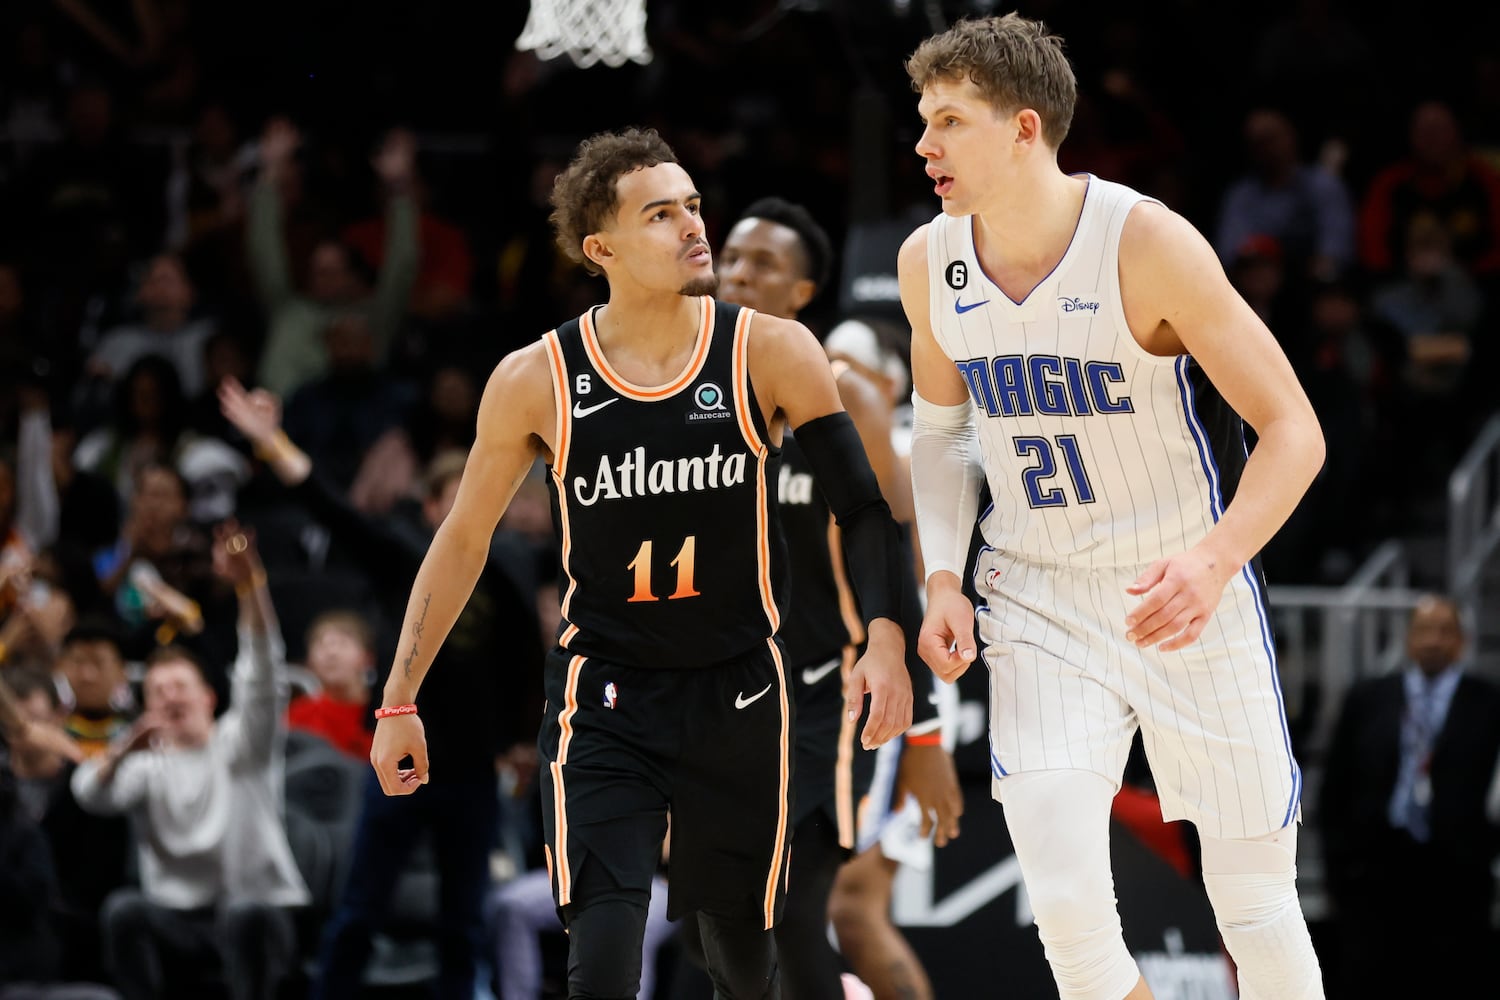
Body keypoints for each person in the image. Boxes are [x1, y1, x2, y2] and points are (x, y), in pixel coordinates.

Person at [368, 126, 915, 1000]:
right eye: (661, 214)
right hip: (606, 697)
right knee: (606, 954)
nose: (695, 227)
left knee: (734, 957)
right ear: (602, 247)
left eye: (694, 205)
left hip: (738, 691)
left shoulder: (770, 351)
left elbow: (865, 507)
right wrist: (399, 697)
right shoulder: (534, 378)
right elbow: (462, 539)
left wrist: (887, 637)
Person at [899, 14, 1326, 1000]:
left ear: (1024, 127)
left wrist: (1215, 560)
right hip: (1038, 594)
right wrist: (938, 575)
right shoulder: (932, 261)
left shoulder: (1145, 242)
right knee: (1073, 924)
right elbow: (939, 434)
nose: (924, 144)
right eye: (924, 121)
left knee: (1257, 907)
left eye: (950, 120)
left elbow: (1294, 429)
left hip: (1181, 587)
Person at [714, 195, 962, 1000]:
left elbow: (889, 562)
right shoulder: (690, 400)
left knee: (803, 916)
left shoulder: (841, 397)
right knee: (716, 924)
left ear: (805, 293)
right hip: (733, 694)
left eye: (764, 265)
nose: (739, 275)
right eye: (732, 258)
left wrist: (924, 736)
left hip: (841, 695)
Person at [71, 523, 310, 1000]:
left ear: (207, 697)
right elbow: (90, 794)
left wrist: (251, 586)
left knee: (248, 915)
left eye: (180, 687)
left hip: (256, 914)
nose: (170, 698)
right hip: (178, 921)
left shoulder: (242, 743)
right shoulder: (145, 762)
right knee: (124, 910)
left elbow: (262, 673)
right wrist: (120, 753)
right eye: (158, 692)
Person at [1318, 594, 1500, 997]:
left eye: (1444, 631)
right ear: (1408, 638)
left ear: (1462, 641)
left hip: (1456, 878)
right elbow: (1335, 788)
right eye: (1423, 630)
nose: (1433, 640)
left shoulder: (1489, 704)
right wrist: (1339, 868)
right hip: (1375, 870)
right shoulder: (1368, 698)